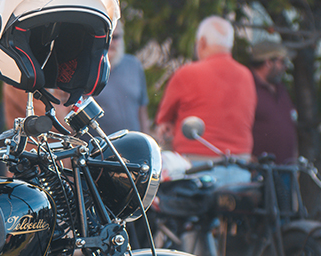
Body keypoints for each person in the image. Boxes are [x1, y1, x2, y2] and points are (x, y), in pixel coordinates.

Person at [155, 15, 257, 183]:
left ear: (201, 42)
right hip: (240, 167)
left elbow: (164, 123)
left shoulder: (187, 73)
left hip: (197, 167)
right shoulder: (247, 76)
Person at [249, 40, 298, 164]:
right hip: (259, 170)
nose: (286, 67)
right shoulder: (247, 86)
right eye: (282, 62)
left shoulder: (280, 88)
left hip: (285, 169)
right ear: (268, 62)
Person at [97, 21, 149, 135]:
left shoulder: (134, 65)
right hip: (98, 148)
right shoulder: (86, 69)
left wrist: (147, 137)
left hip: (132, 145)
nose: (111, 42)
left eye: (115, 37)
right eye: (106, 37)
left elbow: (142, 110)